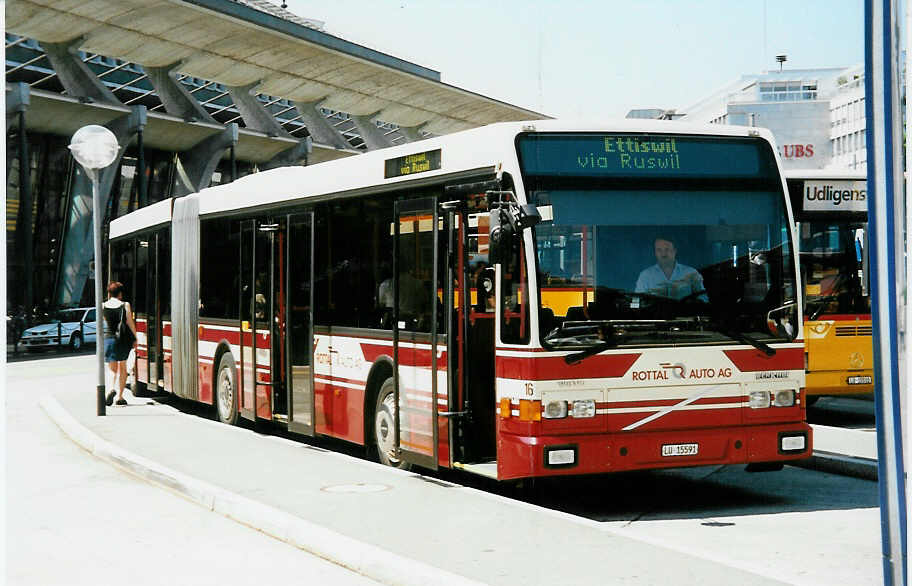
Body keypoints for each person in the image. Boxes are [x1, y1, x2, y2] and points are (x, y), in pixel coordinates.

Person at [635, 237, 708, 301]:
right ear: (655, 252)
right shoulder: (645, 275)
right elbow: (636, 301)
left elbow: (703, 299)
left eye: (667, 249)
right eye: (659, 250)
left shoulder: (691, 272)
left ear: (675, 251)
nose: (663, 254)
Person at [103, 281, 137, 406]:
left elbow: (103, 323)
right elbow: (129, 323)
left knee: (112, 369)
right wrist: (135, 337)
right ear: (120, 294)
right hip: (122, 340)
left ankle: (111, 388)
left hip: (109, 338)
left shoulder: (103, 306)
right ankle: (120, 397)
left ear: (109, 293)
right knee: (123, 367)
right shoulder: (125, 305)